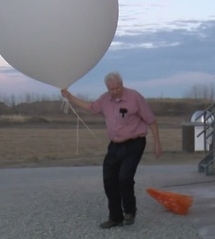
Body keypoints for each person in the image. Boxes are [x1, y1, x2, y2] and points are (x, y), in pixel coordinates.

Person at [61, 72, 162, 229]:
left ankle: (130, 211)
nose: (114, 91)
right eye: (111, 89)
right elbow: (90, 107)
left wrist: (157, 143)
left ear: (122, 84)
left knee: (124, 178)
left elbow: (152, 121)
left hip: (135, 143)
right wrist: (70, 97)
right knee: (109, 179)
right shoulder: (104, 99)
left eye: (117, 87)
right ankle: (115, 217)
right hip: (115, 145)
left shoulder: (135, 97)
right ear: (107, 88)